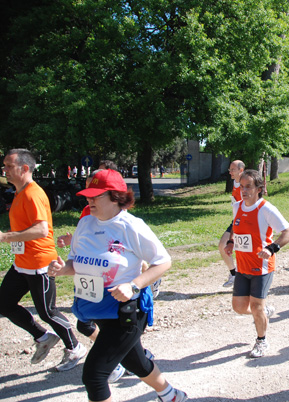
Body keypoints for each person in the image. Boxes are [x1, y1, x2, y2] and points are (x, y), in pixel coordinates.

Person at [48, 169, 187, 402]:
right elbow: (76, 263)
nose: (88, 200)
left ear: (115, 197)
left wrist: (133, 285)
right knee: (135, 361)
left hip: (126, 311)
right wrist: (63, 269)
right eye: (87, 195)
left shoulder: (131, 225)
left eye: (95, 196)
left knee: (94, 375)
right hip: (97, 307)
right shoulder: (85, 224)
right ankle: (171, 395)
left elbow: (163, 262)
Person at [0, 149, 86, 371]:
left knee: (48, 311)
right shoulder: (19, 192)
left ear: (24, 168)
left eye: (9, 166)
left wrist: (6, 236)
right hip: (22, 262)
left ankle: (75, 347)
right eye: (5, 166)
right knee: (4, 303)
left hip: (40, 264)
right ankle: (43, 337)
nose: (5, 170)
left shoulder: (33, 193)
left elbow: (41, 229)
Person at [224, 169, 289, 358]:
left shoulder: (266, 209)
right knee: (239, 307)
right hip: (243, 267)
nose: (244, 190)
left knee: (256, 306)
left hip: (262, 268)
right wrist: (231, 241)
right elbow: (236, 225)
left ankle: (261, 341)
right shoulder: (237, 206)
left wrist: (272, 248)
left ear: (259, 189)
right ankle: (264, 312)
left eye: (248, 186)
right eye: (241, 186)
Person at [219, 160, 245, 287]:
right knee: (222, 245)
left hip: (247, 220)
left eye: (233, 170)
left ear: (241, 170)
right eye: (230, 170)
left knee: (245, 251)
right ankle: (234, 274)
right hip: (237, 220)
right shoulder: (235, 182)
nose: (230, 172)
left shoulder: (247, 182)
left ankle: (253, 278)